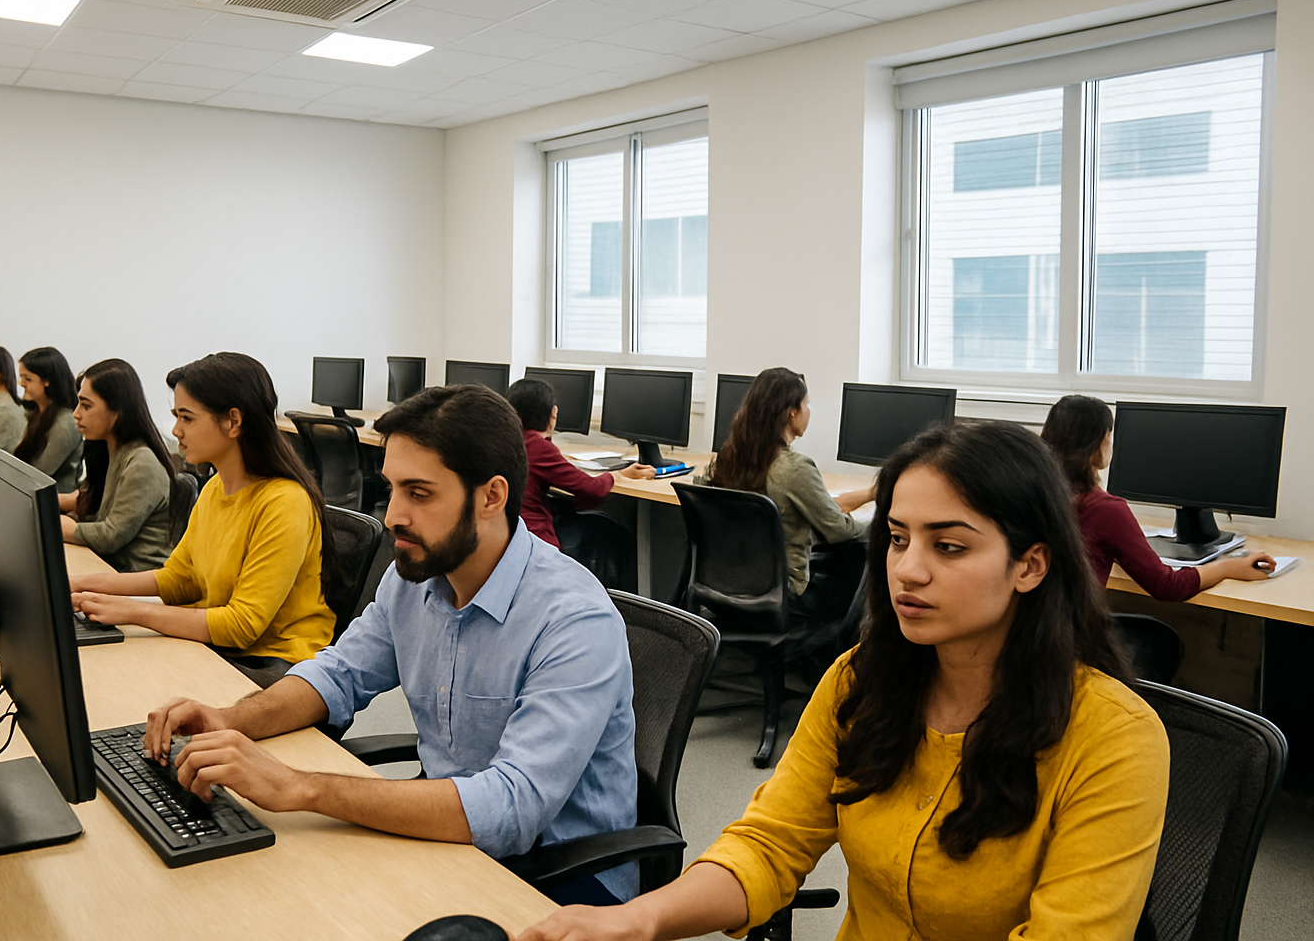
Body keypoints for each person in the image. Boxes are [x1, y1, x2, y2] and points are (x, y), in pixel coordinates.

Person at [520, 420, 1170, 941]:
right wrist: (641, 919)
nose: (908, 570)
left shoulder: (1114, 738)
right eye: (895, 538)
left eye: (948, 546)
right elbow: (770, 844)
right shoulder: (863, 681)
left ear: (1030, 566)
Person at [142, 384, 639, 906]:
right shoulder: (417, 577)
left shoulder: (573, 618)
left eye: (419, 493)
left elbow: (512, 809)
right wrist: (230, 719)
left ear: (491, 497)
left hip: (562, 878)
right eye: (393, 489)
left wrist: (302, 786)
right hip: (455, 839)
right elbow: (339, 674)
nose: (392, 515)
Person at [70, 352, 336, 688]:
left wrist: (131, 612)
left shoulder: (284, 502)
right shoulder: (214, 488)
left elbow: (242, 626)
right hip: (222, 647)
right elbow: (180, 579)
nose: (176, 430)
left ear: (233, 422)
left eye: (187, 418)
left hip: (274, 669)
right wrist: (83, 584)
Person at [698, 367, 875, 677]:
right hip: (789, 594)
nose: (809, 411)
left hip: (729, 586)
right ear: (791, 413)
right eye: (806, 405)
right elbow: (839, 531)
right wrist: (879, 522)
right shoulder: (795, 469)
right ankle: (833, 670)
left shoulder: (728, 456)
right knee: (860, 555)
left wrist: (869, 493)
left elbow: (813, 509)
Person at [1041, 394, 1273, 600]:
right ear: (1103, 440)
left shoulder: (1035, 494)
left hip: (1028, 638)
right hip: (1071, 640)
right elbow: (1167, 586)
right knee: (1164, 639)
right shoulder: (1104, 510)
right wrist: (1229, 567)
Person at [59, 358, 179, 573]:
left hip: (138, 578)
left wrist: (64, 528)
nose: (76, 414)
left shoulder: (142, 462)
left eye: (86, 405)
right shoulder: (110, 451)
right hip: (112, 568)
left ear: (117, 411)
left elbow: (110, 536)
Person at [506, 377, 653, 548]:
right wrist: (619, 475)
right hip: (535, 540)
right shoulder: (537, 447)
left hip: (507, 535)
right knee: (617, 536)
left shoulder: (507, 439)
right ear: (553, 413)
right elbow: (593, 490)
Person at [13, 346, 85, 492]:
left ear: (47, 381)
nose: (21, 383)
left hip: (55, 503)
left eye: (28, 378)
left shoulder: (66, 422)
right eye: (21, 377)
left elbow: (40, 474)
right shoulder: (36, 413)